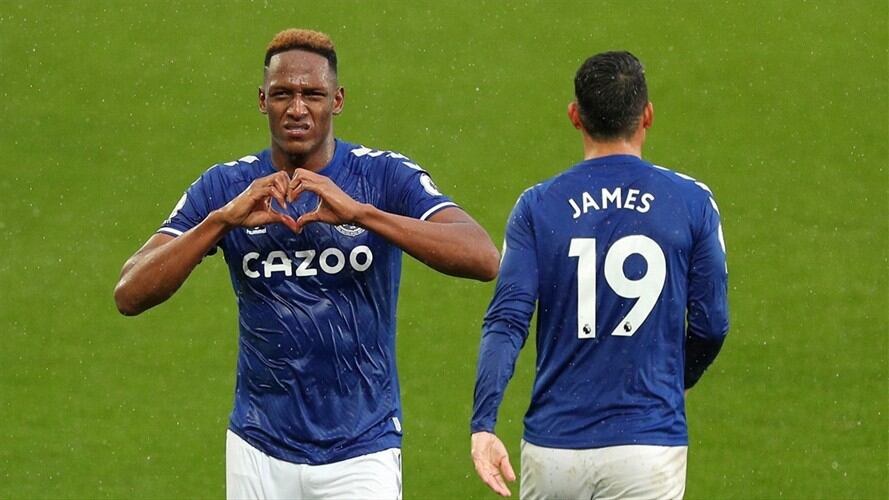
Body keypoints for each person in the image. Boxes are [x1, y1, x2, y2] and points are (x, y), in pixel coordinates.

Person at [114, 28, 499, 499]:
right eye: (283, 94)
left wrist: (363, 215)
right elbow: (129, 293)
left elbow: (483, 257)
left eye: (312, 94)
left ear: (337, 100)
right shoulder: (227, 186)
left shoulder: (382, 175)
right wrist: (220, 222)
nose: (297, 108)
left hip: (362, 450)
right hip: (257, 448)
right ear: (262, 101)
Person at [469, 51, 729, 499]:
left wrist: (484, 423)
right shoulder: (690, 201)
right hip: (646, 446)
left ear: (575, 116)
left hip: (555, 449)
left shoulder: (538, 206)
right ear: (647, 115)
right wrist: (679, 380)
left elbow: (506, 322)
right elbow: (711, 325)